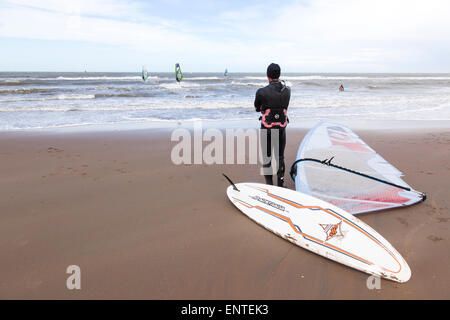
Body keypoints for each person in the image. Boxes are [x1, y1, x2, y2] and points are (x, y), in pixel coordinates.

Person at [254, 63, 291, 187]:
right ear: (279, 75)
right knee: (280, 157)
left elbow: (257, 109)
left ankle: (269, 186)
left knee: (267, 157)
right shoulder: (287, 91)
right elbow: (284, 107)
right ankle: (280, 185)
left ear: (267, 75)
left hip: (267, 128)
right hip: (281, 128)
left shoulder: (261, 92)